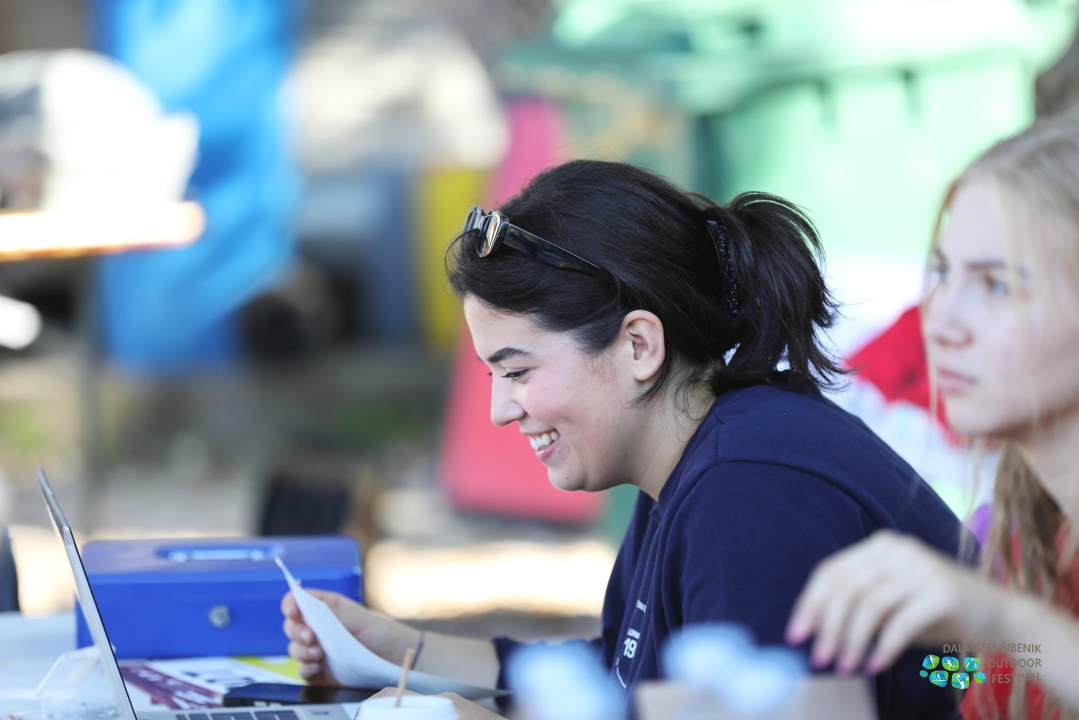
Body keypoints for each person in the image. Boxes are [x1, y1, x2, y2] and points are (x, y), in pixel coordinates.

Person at [283, 160, 970, 719]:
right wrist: (404, 648)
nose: (499, 410)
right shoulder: (693, 454)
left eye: (517, 370)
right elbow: (623, 669)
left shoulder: (750, 490)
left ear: (638, 346)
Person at [786, 117, 1079, 719]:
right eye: (944, 273)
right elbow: (1002, 661)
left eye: (997, 286)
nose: (940, 323)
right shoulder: (1017, 534)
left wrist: (992, 615)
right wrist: (882, 663)